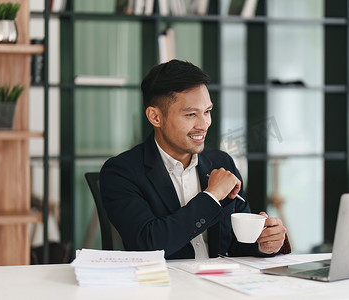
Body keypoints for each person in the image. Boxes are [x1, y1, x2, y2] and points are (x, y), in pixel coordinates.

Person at [100, 59, 291, 259]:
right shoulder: (121, 172)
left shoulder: (222, 162)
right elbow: (149, 243)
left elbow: (234, 246)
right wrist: (212, 195)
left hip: (220, 283)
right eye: (191, 114)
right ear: (155, 117)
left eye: (207, 112)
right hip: (164, 285)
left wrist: (265, 243)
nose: (204, 124)